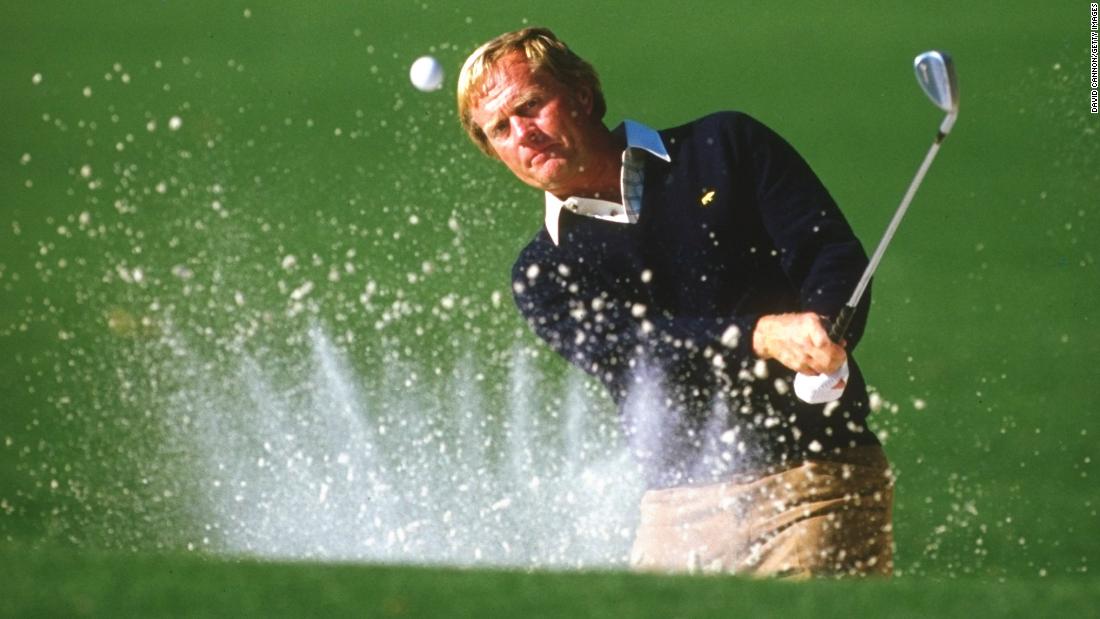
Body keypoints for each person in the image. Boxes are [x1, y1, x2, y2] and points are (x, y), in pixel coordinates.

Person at [456, 27, 893, 578]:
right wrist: (758, 335)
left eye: (532, 105)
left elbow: (827, 251)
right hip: (675, 510)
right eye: (500, 128)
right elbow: (640, 350)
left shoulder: (723, 146)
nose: (523, 132)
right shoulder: (543, 274)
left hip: (815, 480)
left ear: (583, 95)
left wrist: (828, 329)